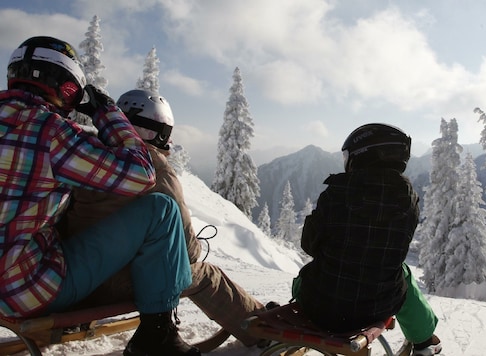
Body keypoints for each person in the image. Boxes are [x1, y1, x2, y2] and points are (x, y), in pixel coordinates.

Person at [0, 36, 200, 356]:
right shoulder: (52, 133)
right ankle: (156, 337)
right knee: (160, 209)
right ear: (67, 88)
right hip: (24, 290)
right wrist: (105, 113)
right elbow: (141, 173)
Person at [61, 88, 268, 347]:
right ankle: (260, 328)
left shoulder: (88, 158)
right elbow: (188, 251)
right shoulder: (153, 168)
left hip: (72, 275)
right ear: (156, 132)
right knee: (204, 274)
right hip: (112, 285)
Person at [292, 123, 442, 355]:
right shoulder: (409, 199)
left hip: (319, 305)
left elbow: (309, 245)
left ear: (363, 154)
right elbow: (395, 251)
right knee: (401, 273)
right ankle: (425, 340)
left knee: (303, 279)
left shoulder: (337, 192)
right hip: (376, 309)